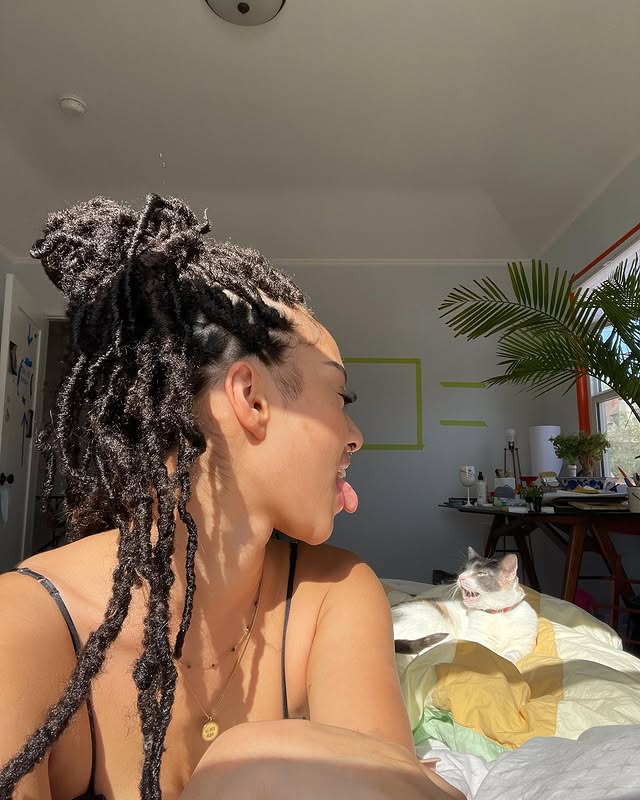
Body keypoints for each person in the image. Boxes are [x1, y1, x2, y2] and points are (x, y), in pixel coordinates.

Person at [0, 194, 462, 799]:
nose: (355, 436)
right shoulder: (26, 624)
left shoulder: (336, 594)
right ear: (251, 399)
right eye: (340, 396)